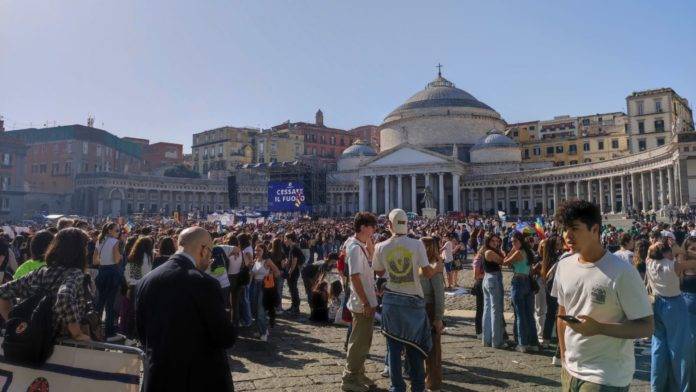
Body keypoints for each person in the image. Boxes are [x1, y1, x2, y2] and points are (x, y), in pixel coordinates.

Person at [552, 200, 653, 391]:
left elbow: (646, 327)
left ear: (595, 229)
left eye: (574, 228)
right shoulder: (563, 266)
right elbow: (562, 315)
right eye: (565, 229)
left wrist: (599, 328)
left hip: (606, 377)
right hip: (571, 372)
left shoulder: (623, 272)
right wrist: (564, 357)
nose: (567, 235)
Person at [135, 227, 236, 392]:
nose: (210, 257)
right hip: (198, 379)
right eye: (210, 251)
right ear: (203, 249)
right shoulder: (205, 283)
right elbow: (225, 337)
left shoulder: (146, 280)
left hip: (158, 377)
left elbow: (140, 331)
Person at [374, 209, 442, 392]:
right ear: (407, 224)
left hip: (391, 302)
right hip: (413, 302)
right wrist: (437, 267)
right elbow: (427, 272)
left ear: (389, 225)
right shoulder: (417, 244)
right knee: (415, 348)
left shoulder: (380, 247)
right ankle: (418, 387)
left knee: (393, 350)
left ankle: (397, 387)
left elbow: (379, 272)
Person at [0, 228, 92, 341]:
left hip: (34, 340)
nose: (87, 251)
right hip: (63, 344)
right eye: (85, 247)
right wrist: (77, 333)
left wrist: (13, 323)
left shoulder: (41, 272)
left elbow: (3, 292)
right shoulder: (75, 274)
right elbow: (64, 296)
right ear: (78, 251)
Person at [645, 240, 695, 391]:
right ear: (667, 252)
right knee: (679, 349)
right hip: (674, 304)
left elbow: (649, 253)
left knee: (658, 348)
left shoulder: (649, 261)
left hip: (656, 303)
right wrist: (681, 251)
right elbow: (690, 261)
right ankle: (680, 387)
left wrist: (655, 246)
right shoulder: (673, 266)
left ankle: (657, 386)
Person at [341, 212, 378, 392]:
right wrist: (365, 302)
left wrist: (369, 241)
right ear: (363, 227)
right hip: (361, 303)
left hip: (365, 300)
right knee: (358, 342)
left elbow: (372, 257)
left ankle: (359, 372)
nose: (374, 229)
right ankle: (350, 378)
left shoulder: (358, 245)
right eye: (372, 226)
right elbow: (355, 277)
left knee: (364, 341)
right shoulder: (355, 248)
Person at [503, 231, 539, 353]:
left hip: (518, 281)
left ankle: (522, 343)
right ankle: (533, 343)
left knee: (520, 315)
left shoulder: (518, 252)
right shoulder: (528, 252)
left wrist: (512, 250)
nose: (513, 243)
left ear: (520, 241)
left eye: (515, 241)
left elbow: (504, 261)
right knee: (529, 314)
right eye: (512, 242)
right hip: (528, 282)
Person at [420, 236, 446, 392]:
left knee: (433, 349)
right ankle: (421, 379)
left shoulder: (435, 266)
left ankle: (434, 383)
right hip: (418, 308)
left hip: (429, 309)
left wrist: (438, 318)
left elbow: (439, 295)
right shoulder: (421, 263)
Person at [93, 222, 123, 342]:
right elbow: (116, 260)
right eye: (117, 230)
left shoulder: (99, 241)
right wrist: (120, 256)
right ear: (109, 230)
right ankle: (110, 333)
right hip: (111, 272)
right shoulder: (115, 242)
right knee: (110, 305)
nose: (118, 233)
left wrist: (104, 261)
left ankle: (95, 330)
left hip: (102, 272)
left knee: (100, 303)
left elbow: (94, 261)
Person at [249, 243, 281, 341]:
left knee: (260, 311)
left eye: (259, 250)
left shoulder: (267, 261)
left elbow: (277, 272)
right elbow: (253, 275)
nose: (256, 252)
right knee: (255, 309)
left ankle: (263, 333)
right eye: (255, 250)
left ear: (264, 251)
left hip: (264, 287)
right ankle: (262, 329)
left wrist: (270, 277)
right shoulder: (255, 261)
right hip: (255, 286)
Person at [480, 233, 506, 348]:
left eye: (497, 241)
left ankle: (487, 339)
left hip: (488, 278)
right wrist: (502, 252)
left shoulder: (485, 250)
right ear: (488, 241)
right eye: (493, 241)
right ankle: (497, 341)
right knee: (496, 310)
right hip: (493, 278)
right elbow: (502, 261)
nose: (495, 243)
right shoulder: (490, 252)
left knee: (487, 310)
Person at [284, 232, 305, 315]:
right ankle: (294, 306)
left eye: (286, 239)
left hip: (294, 272)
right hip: (294, 271)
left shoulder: (294, 248)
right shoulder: (293, 247)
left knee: (293, 289)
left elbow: (294, 261)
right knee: (292, 289)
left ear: (289, 239)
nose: (285, 241)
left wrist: (289, 272)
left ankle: (295, 307)